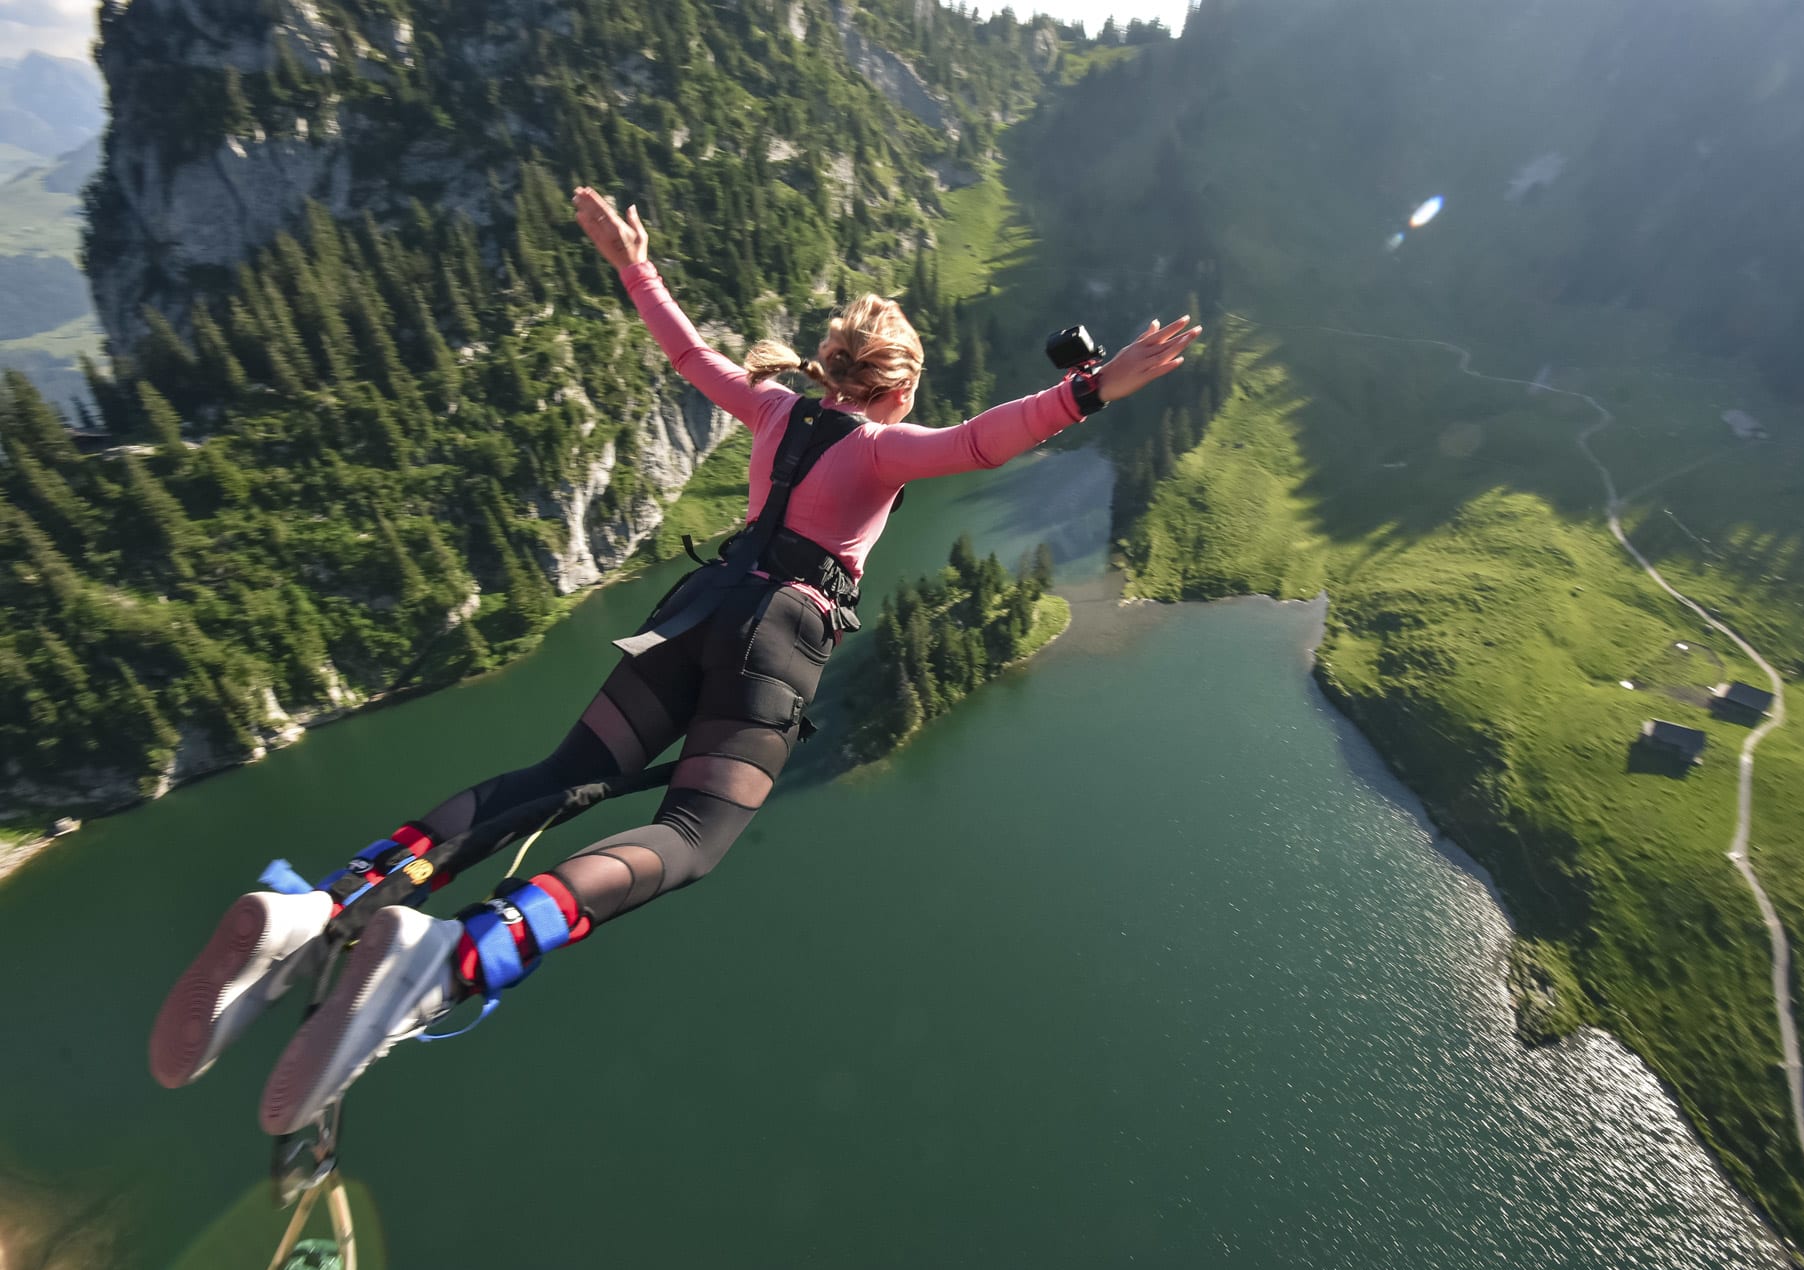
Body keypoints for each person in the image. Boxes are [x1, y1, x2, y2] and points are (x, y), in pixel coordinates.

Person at [149, 186, 1201, 1135]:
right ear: (897, 386)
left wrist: (630, 263)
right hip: (775, 638)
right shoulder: (882, 449)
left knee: (554, 778)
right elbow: (979, 441)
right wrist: (1092, 391)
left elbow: (687, 353)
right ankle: (449, 957)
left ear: (830, 366)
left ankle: (320, 909)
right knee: (691, 835)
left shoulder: (776, 410)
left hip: (693, 609)